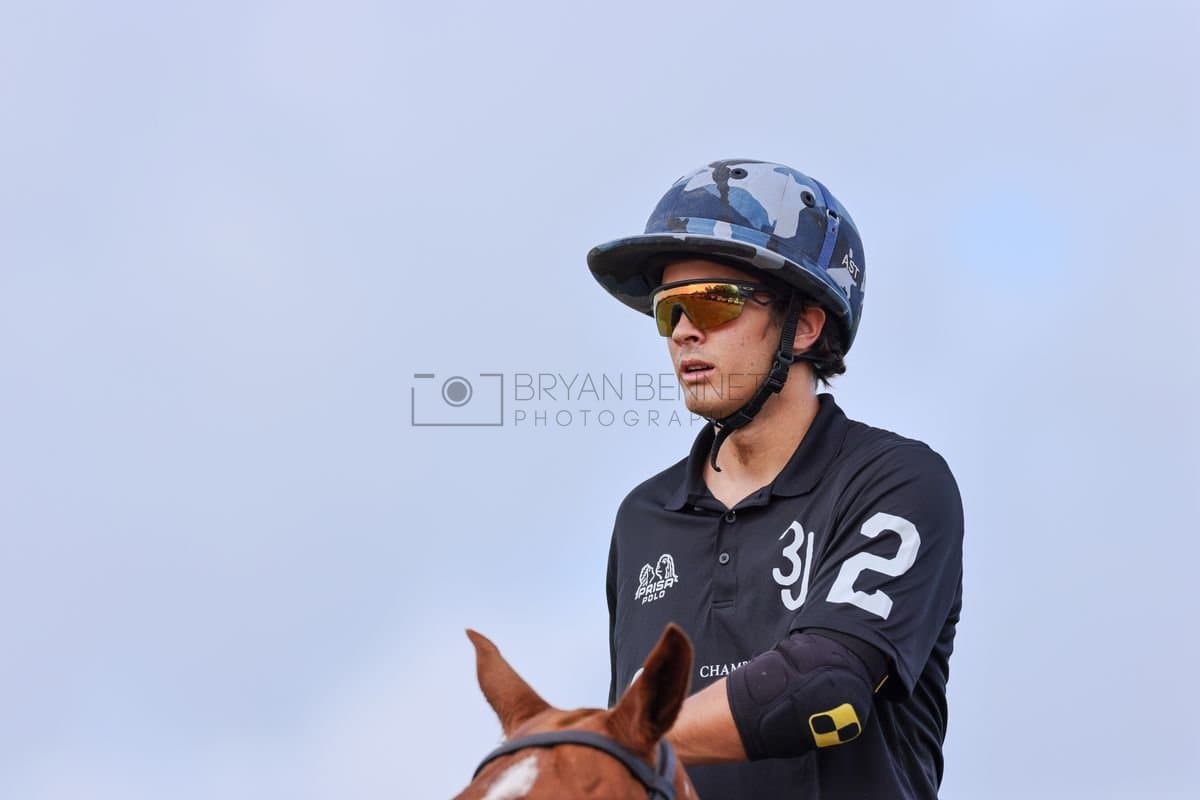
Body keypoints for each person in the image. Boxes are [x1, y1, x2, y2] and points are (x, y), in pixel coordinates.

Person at [587, 159, 964, 800]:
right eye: (669, 308)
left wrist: (614, 738)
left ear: (806, 325)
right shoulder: (642, 517)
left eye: (713, 301)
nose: (683, 331)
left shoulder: (898, 479)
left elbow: (826, 688)